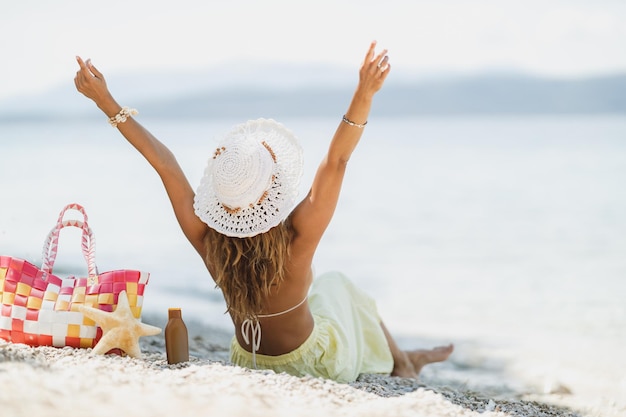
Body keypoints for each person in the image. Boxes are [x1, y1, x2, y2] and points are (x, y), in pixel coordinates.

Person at [74, 41, 453, 383]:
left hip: (249, 362)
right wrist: (364, 93)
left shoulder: (207, 240)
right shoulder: (298, 236)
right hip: (314, 363)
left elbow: (165, 164)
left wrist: (105, 101)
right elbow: (337, 159)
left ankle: (403, 359)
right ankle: (402, 362)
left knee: (321, 290)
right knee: (338, 285)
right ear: (272, 193)